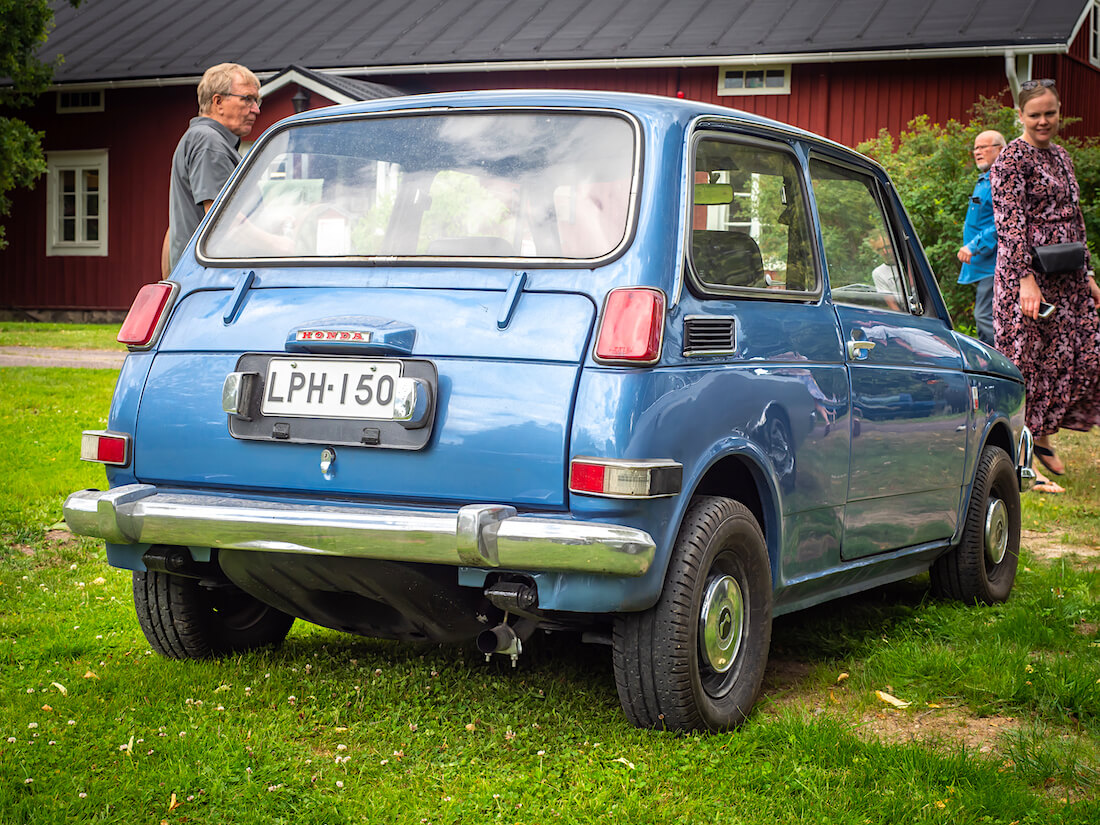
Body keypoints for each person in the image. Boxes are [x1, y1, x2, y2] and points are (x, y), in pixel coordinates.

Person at [990, 78, 1100, 493]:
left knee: (1079, 358)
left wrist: (1087, 275)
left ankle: (1043, 435)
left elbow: (1076, 217)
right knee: (1028, 367)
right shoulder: (1011, 159)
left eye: (1049, 113)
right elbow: (1011, 224)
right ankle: (1023, 467)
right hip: (1029, 278)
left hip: (1068, 278)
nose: (1043, 121)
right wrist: (1026, 281)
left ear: (1059, 112)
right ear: (1019, 115)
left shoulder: (1062, 156)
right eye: (1034, 114)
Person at [162, 63, 262, 275]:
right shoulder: (209, 142)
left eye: (257, 100)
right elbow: (224, 223)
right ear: (218, 102)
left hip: (198, 280)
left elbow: (172, 232)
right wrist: (284, 245)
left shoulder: (202, 139)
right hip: (212, 281)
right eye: (247, 99)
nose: (256, 109)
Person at [956, 130, 1006, 347]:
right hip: (983, 263)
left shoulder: (1001, 180)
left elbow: (1003, 221)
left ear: (1000, 149)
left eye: (983, 147)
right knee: (987, 316)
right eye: (975, 148)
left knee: (984, 317)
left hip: (994, 265)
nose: (977, 152)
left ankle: (1001, 366)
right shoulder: (984, 179)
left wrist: (974, 245)